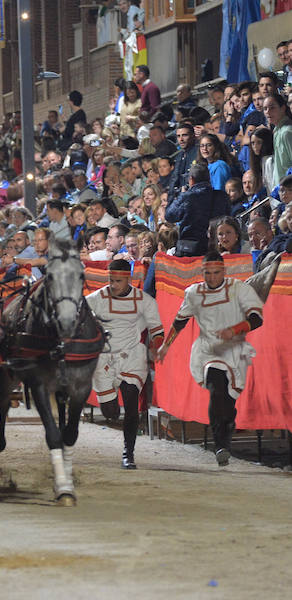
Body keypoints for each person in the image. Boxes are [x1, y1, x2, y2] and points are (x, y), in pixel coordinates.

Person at [156, 252, 264, 466]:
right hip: (207, 351)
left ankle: (226, 431)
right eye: (208, 273)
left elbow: (256, 318)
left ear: (223, 271)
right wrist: (165, 346)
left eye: (216, 273)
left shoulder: (239, 289)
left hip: (234, 349)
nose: (212, 277)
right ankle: (221, 445)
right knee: (216, 391)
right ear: (202, 272)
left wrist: (234, 330)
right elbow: (180, 321)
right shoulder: (193, 293)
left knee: (227, 401)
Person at [86, 259, 163, 468]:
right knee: (111, 412)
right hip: (105, 358)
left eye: (118, 281)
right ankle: (111, 409)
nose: (113, 285)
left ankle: (128, 454)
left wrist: (157, 346)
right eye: (110, 280)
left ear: (128, 278)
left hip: (132, 356)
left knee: (131, 405)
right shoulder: (96, 298)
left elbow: (157, 330)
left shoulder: (144, 300)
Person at [165, 163, 230, 257]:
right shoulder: (222, 196)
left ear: (191, 180)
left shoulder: (187, 197)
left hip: (190, 249)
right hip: (217, 246)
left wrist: (180, 196)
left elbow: (169, 215)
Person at [262, 92, 292, 187]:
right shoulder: (277, 131)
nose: (268, 112)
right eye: (265, 109)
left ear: (282, 108)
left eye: (272, 108)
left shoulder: (287, 132)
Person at [167, 122, 199, 204]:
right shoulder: (179, 155)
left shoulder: (198, 153)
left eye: (184, 135)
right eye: (178, 136)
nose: (181, 139)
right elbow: (175, 179)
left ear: (193, 135)